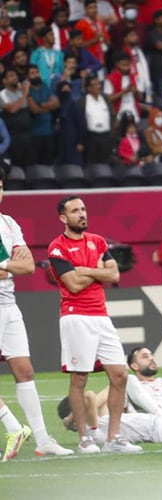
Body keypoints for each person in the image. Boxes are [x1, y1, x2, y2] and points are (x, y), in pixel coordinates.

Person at [48, 195, 142, 454]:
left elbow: (114, 274)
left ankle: (113, 438)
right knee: (80, 378)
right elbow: (73, 284)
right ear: (63, 218)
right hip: (75, 316)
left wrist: (85, 269)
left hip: (101, 315)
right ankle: (85, 439)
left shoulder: (98, 241)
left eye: (83, 209)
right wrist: (97, 270)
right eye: (75, 210)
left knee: (120, 375)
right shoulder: (57, 247)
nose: (82, 214)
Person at [0, 169, 72, 459]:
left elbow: (28, 266)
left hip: (8, 305)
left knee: (25, 371)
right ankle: (13, 426)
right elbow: (17, 264)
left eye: (1, 185)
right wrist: (10, 264)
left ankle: (42, 438)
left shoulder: (8, 222)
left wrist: (4, 268)